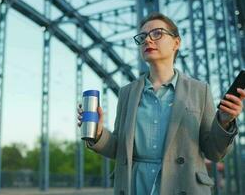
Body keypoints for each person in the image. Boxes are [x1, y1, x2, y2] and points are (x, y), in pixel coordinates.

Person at [77, 12, 245, 195]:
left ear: (176, 43)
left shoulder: (199, 90)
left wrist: (224, 122)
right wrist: (99, 133)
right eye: (142, 37)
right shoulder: (127, 92)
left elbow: (214, 152)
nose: (148, 40)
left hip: (183, 186)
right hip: (135, 186)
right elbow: (119, 149)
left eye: (157, 33)